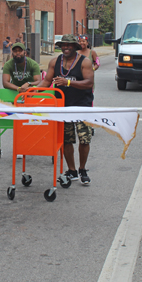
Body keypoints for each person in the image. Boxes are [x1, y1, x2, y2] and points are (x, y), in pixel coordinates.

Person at [38, 34, 95, 185]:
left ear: (75, 47)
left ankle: (82, 169)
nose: (66, 47)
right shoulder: (55, 62)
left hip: (83, 105)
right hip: (63, 106)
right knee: (66, 140)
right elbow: (46, 82)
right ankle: (72, 170)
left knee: (84, 138)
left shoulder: (85, 62)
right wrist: (30, 91)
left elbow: (89, 83)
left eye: (69, 45)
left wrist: (68, 82)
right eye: (63, 45)